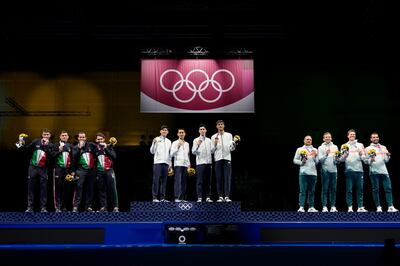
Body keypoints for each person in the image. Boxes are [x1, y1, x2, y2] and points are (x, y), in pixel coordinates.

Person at [17, 128, 56, 212]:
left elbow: (52, 157)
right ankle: (30, 207)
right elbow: (26, 149)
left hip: (44, 169)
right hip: (33, 167)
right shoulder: (36, 141)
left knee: (43, 188)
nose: (45, 136)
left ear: (50, 136)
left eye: (47, 134)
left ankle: (43, 208)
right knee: (31, 187)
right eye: (44, 134)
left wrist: (46, 146)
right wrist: (21, 143)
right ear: (42, 135)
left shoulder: (51, 145)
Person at [364, 132, 398, 212]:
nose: (375, 138)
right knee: (376, 189)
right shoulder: (367, 148)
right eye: (373, 137)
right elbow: (365, 161)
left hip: (384, 171)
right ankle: (378, 207)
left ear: (378, 138)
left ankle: (390, 206)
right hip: (374, 171)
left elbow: (386, 160)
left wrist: (388, 156)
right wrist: (370, 160)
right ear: (371, 139)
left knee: (388, 188)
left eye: (377, 137)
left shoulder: (383, 147)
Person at [340, 129, 367, 212]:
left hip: (359, 170)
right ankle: (350, 207)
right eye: (351, 134)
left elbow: (365, 159)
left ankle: (360, 207)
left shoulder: (360, 145)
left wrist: (361, 153)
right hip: (349, 170)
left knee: (360, 189)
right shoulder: (344, 145)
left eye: (353, 134)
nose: (352, 136)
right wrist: (345, 155)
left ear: (355, 136)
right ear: (348, 136)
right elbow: (341, 160)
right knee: (349, 190)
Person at [210, 120, 236, 202]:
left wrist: (234, 144)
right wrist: (215, 143)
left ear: (224, 126)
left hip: (227, 158)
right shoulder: (213, 137)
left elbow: (232, 149)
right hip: (218, 159)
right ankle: (220, 196)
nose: (220, 126)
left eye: (221, 124)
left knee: (227, 178)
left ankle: (227, 196)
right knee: (219, 178)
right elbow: (211, 151)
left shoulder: (229, 135)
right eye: (219, 124)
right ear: (216, 126)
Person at [71, 131, 97, 212]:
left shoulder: (91, 145)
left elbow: (98, 150)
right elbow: (74, 159)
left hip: (91, 170)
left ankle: (88, 206)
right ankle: (76, 207)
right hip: (80, 170)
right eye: (80, 137)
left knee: (90, 188)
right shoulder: (75, 147)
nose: (82, 138)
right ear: (78, 138)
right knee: (79, 188)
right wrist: (79, 148)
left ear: (85, 138)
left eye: (83, 137)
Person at [293, 135, 319, 212]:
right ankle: (301, 207)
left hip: (313, 173)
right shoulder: (300, 149)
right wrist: (301, 162)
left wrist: (314, 156)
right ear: (304, 140)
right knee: (302, 190)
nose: (309, 140)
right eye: (307, 139)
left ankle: (311, 207)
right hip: (303, 173)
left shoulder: (315, 150)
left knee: (312, 191)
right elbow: (294, 160)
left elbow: (317, 162)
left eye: (310, 139)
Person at [94, 133, 119, 212]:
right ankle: (104, 207)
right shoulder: (94, 148)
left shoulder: (109, 147)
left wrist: (106, 148)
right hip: (99, 172)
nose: (100, 140)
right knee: (102, 190)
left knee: (112, 189)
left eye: (101, 139)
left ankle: (115, 207)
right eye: (98, 139)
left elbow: (114, 156)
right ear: (96, 140)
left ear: (104, 139)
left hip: (109, 171)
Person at [317, 132, 339, 212]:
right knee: (325, 189)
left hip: (334, 170)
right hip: (325, 170)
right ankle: (324, 206)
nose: (327, 138)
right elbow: (319, 160)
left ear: (331, 138)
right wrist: (326, 154)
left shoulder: (335, 147)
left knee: (333, 189)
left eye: (329, 137)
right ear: (323, 138)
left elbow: (337, 160)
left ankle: (333, 206)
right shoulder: (320, 147)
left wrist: (337, 160)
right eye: (326, 137)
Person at [192, 124, 214, 202]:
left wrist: (215, 144)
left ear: (206, 130)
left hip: (208, 163)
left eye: (203, 129)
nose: (202, 130)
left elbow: (212, 151)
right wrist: (197, 145)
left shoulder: (209, 140)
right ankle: (199, 197)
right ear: (199, 131)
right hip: (200, 163)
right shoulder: (195, 140)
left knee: (208, 181)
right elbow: (193, 152)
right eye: (200, 129)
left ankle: (208, 197)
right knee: (200, 181)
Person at [150, 125, 172, 202]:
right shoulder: (156, 139)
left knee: (164, 181)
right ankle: (155, 198)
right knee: (156, 180)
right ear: (160, 131)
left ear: (167, 132)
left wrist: (170, 164)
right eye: (163, 130)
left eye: (166, 130)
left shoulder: (169, 141)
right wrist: (153, 143)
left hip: (166, 163)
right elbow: (152, 151)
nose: (164, 131)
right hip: (157, 163)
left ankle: (162, 198)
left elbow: (170, 154)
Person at [53, 130, 73, 212]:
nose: (64, 137)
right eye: (62, 135)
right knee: (58, 188)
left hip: (67, 171)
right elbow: (52, 156)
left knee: (66, 188)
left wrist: (72, 171)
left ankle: (64, 207)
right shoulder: (56, 145)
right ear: (60, 137)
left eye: (65, 135)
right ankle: (57, 207)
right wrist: (59, 150)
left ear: (68, 137)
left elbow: (73, 159)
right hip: (58, 170)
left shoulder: (70, 146)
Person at [170, 128, 191, 202]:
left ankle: (182, 198)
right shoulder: (174, 143)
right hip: (178, 164)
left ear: (185, 134)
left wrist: (189, 165)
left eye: (182, 132)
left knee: (184, 182)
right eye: (180, 132)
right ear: (178, 134)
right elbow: (171, 154)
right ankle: (177, 198)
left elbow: (188, 155)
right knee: (178, 181)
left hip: (185, 165)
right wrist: (177, 147)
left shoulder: (187, 144)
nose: (181, 134)